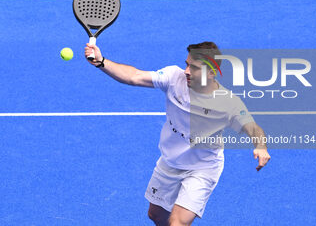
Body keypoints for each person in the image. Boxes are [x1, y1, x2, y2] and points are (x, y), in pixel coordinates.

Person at [84, 41, 271, 226]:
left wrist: (261, 147)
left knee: (177, 222)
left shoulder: (228, 103)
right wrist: (102, 61)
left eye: (195, 68)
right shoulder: (174, 77)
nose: (187, 71)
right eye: (187, 64)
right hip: (170, 161)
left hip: (203, 168)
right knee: (156, 216)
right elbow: (135, 76)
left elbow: (252, 126)